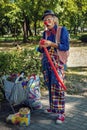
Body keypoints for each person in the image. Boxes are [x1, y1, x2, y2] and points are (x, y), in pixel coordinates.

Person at [37, 10, 69, 124]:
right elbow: (39, 49)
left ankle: (61, 113)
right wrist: (41, 46)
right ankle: (53, 107)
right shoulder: (45, 33)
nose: (47, 21)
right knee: (50, 85)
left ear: (54, 19)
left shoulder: (62, 30)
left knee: (58, 87)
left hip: (58, 63)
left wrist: (51, 44)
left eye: (49, 19)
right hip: (47, 62)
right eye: (45, 20)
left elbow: (65, 46)